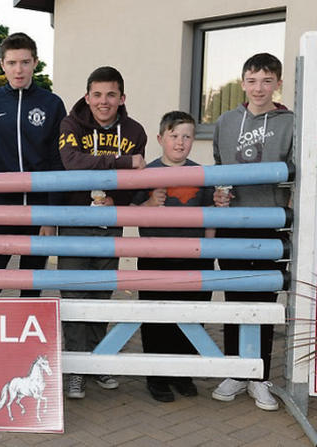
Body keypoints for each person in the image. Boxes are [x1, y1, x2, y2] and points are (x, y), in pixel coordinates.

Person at [210, 53, 293, 412]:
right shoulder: (226, 121)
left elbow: (296, 170)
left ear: (277, 84)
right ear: (243, 83)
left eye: (267, 80)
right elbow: (218, 166)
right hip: (232, 224)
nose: (259, 88)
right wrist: (218, 192)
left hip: (270, 221)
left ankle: (258, 375)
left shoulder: (291, 121)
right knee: (235, 296)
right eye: (253, 80)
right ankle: (235, 369)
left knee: (263, 299)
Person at [57, 66, 147, 399]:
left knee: (101, 295)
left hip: (111, 224)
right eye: (97, 94)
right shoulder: (71, 124)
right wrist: (122, 163)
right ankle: (76, 368)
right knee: (74, 296)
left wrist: (117, 197)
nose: (103, 102)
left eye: (111, 95)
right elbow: (72, 163)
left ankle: (98, 360)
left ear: (122, 98)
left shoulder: (135, 130)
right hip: (74, 222)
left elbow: (136, 183)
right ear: (87, 96)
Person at [0, 32, 66, 297]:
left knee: (31, 290)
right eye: (12, 63)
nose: (18, 69)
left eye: (24, 62)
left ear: (35, 62)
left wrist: (51, 215)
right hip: (0, 209)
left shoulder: (52, 103)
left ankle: (28, 339)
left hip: (38, 210)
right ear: (2, 65)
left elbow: (58, 162)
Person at [132, 111, 214, 402]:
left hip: (195, 259)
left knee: (192, 317)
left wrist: (211, 253)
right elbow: (130, 213)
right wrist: (151, 202)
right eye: (174, 136)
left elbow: (210, 218)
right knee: (157, 319)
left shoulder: (202, 174)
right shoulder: (148, 174)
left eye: (187, 136)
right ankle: (157, 377)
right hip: (157, 258)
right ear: (160, 139)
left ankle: (183, 373)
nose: (180, 143)